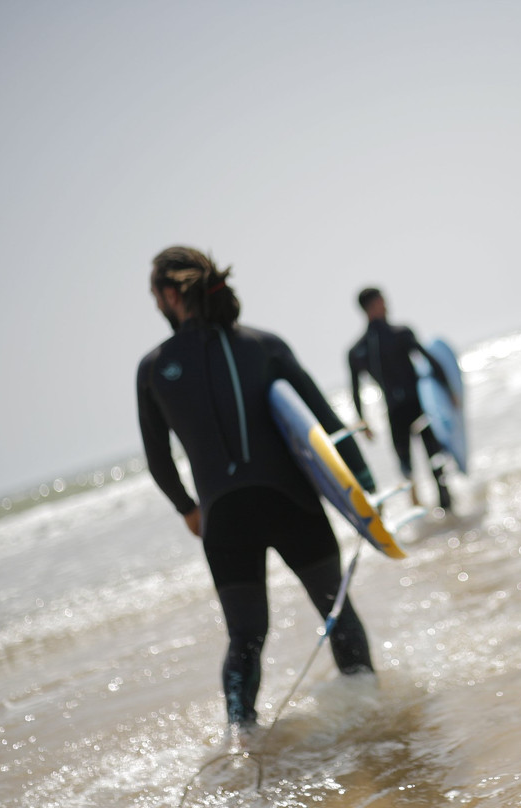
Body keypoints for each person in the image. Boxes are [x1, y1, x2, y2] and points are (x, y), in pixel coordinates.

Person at [136, 246, 375, 734]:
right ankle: (374, 718)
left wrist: (189, 509)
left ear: (168, 295)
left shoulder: (154, 368)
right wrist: (364, 490)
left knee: (246, 635)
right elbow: (324, 425)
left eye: (153, 296)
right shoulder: (264, 344)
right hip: (292, 504)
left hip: (224, 520)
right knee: (335, 611)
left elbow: (158, 462)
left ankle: (242, 742)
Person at [348, 287, 453, 510]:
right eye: (382, 302)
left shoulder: (363, 347)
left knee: (421, 462)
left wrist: (362, 421)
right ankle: (435, 510)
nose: (386, 305)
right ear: (372, 306)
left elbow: (428, 361)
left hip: (407, 409)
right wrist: (449, 390)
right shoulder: (389, 337)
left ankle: (435, 509)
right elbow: (431, 362)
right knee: (418, 462)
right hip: (410, 409)